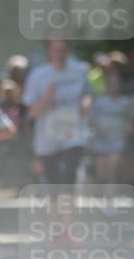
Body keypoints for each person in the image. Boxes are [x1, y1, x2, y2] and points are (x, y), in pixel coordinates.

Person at [22, 37, 91, 185]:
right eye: (56, 51)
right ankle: (55, 207)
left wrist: (85, 104)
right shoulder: (38, 76)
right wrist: (47, 98)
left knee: (69, 176)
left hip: (73, 134)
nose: (60, 55)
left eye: (64, 51)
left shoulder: (80, 70)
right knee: (54, 185)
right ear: (49, 52)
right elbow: (32, 112)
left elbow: (87, 94)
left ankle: (69, 206)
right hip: (47, 138)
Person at [88, 68, 133, 184]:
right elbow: (92, 119)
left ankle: (110, 197)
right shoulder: (99, 102)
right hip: (101, 140)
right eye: (111, 84)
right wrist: (98, 129)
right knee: (101, 171)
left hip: (118, 140)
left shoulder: (125, 102)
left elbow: (129, 119)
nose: (114, 86)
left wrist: (128, 132)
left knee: (112, 168)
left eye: (116, 83)